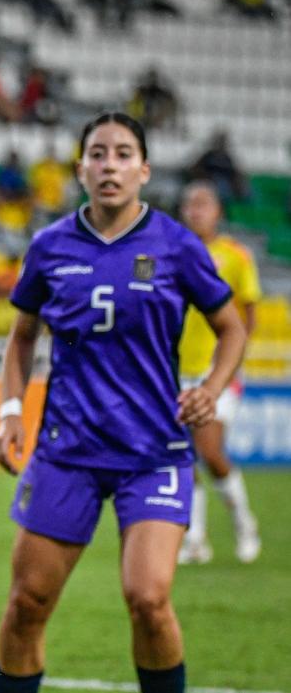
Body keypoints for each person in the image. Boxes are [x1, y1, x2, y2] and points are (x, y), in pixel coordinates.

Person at [0, 112, 248, 693]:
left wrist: (209, 388)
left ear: (145, 170)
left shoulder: (177, 246)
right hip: (68, 450)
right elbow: (22, 336)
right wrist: (11, 411)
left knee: (149, 600)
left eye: (124, 154)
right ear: (80, 168)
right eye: (99, 154)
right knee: (28, 603)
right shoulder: (50, 246)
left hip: (153, 450)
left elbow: (232, 327)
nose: (110, 165)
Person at [175, 180, 262, 564]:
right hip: (175, 371)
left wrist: (230, 365)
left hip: (217, 373)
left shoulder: (235, 256)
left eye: (203, 203)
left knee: (209, 451)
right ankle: (195, 540)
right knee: (182, 455)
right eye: (190, 204)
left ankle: (244, 522)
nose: (195, 210)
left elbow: (249, 314)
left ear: (218, 212)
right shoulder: (168, 251)